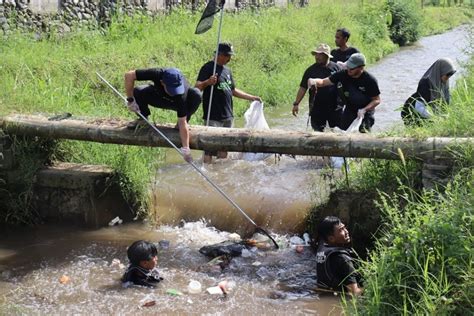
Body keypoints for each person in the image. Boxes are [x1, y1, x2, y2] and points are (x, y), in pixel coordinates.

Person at [195, 42, 262, 164]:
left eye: (230, 56)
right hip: (213, 115)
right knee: (209, 148)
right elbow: (197, 87)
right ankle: (207, 170)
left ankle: (220, 173)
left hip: (228, 115)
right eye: (227, 56)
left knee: (224, 147)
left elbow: (232, 91)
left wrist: (251, 97)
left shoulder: (227, 70)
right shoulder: (208, 67)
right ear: (219, 54)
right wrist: (208, 82)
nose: (229, 59)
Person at [124, 67, 202, 162]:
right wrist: (131, 100)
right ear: (162, 82)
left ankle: (178, 127)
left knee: (196, 94)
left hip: (176, 103)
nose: (174, 92)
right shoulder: (156, 73)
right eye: (171, 89)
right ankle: (143, 119)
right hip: (158, 97)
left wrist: (186, 149)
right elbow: (129, 75)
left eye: (176, 89)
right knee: (138, 91)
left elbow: (182, 122)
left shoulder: (181, 94)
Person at [308, 53, 381, 132]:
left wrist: (364, 109)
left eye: (352, 68)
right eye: (348, 67)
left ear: (361, 68)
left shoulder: (370, 80)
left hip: (365, 112)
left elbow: (377, 100)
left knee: (363, 133)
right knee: (342, 133)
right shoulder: (343, 74)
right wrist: (314, 81)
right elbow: (323, 82)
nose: (349, 70)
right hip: (350, 109)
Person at [292, 43, 342, 131]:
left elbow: (345, 85)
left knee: (337, 132)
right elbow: (303, 88)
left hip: (335, 107)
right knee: (317, 133)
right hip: (317, 108)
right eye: (316, 54)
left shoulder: (337, 68)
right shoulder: (310, 70)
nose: (317, 57)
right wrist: (296, 104)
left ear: (327, 56)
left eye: (320, 54)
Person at [315, 216, 363, 296]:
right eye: (341, 230)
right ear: (331, 238)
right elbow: (354, 293)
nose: (346, 231)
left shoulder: (322, 250)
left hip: (324, 295)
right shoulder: (343, 259)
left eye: (345, 228)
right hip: (338, 300)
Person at [401, 58, 456, 126]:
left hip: (424, 112)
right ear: (440, 71)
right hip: (411, 111)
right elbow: (419, 107)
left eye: (450, 75)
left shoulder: (442, 83)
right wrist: (435, 119)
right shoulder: (425, 83)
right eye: (447, 74)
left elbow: (445, 105)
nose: (448, 78)